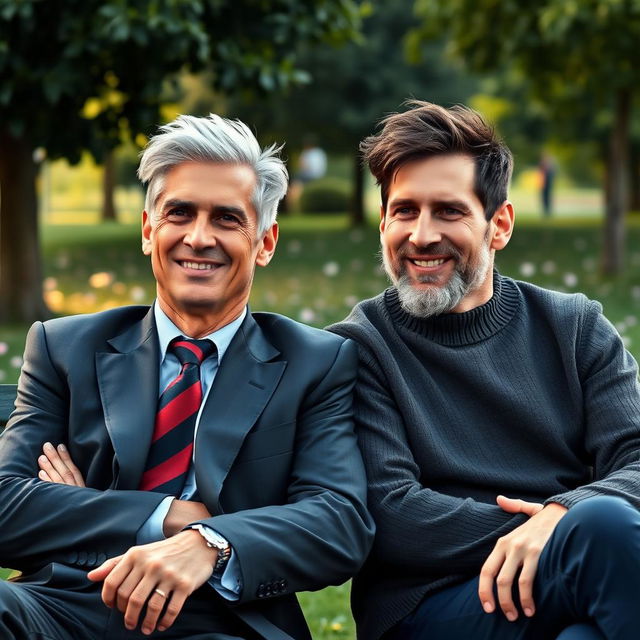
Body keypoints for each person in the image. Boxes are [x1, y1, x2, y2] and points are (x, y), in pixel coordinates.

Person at [0, 113, 374, 640]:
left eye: (227, 219)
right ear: (150, 231)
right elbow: (6, 504)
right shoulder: (65, 348)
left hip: (220, 618)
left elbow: (337, 522)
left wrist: (209, 544)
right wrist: (172, 518)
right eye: (180, 213)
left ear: (264, 242)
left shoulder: (316, 363)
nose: (199, 238)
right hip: (65, 603)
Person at [328, 101, 640, 640]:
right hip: (429, 607)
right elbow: (393, 514)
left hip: (571, 571)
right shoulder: (357, 348)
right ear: (383, 224)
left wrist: (563, 515)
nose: (421, 235)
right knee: (605, 530)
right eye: (404, 211)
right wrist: (554, 527)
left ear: (499, 225)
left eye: (448, 211)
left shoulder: (575, 327)